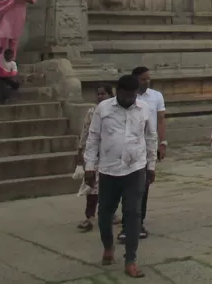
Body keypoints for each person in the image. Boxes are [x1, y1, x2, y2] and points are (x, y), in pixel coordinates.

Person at [84, 74, 157, 278]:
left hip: (135, 169)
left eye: (132, 95)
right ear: (118, 92)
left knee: (133, 213)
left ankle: (131, 259)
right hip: (108, 170)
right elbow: (93, 138)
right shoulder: (104, 108)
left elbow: (151, 137)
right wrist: (90, 166)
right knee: (105, 215)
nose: (129, 99)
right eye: (125, 95)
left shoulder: (144, 109)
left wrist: (151, 166)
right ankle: (108, 246)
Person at [117, 66, 166, 242]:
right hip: (124, 149)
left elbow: (159, 122)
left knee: (142, 189)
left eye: (148, 79)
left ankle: (138, 222)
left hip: (145, 148)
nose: (147, 81)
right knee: (124, 188)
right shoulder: (124, 99)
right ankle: (125, 222)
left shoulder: (156, 97)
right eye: (143, 79)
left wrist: (162, 143)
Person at [77, 83, 114, 233]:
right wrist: (80, 150)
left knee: (112, 187)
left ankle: (110, 213)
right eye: (98, 94)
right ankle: (90, 217)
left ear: (111, 95)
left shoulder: (117, 111)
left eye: (103, 94)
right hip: (96, 155)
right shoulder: (92, 112)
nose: (100, 96)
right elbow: (86, 131)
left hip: (112, 155)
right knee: (92, 187)